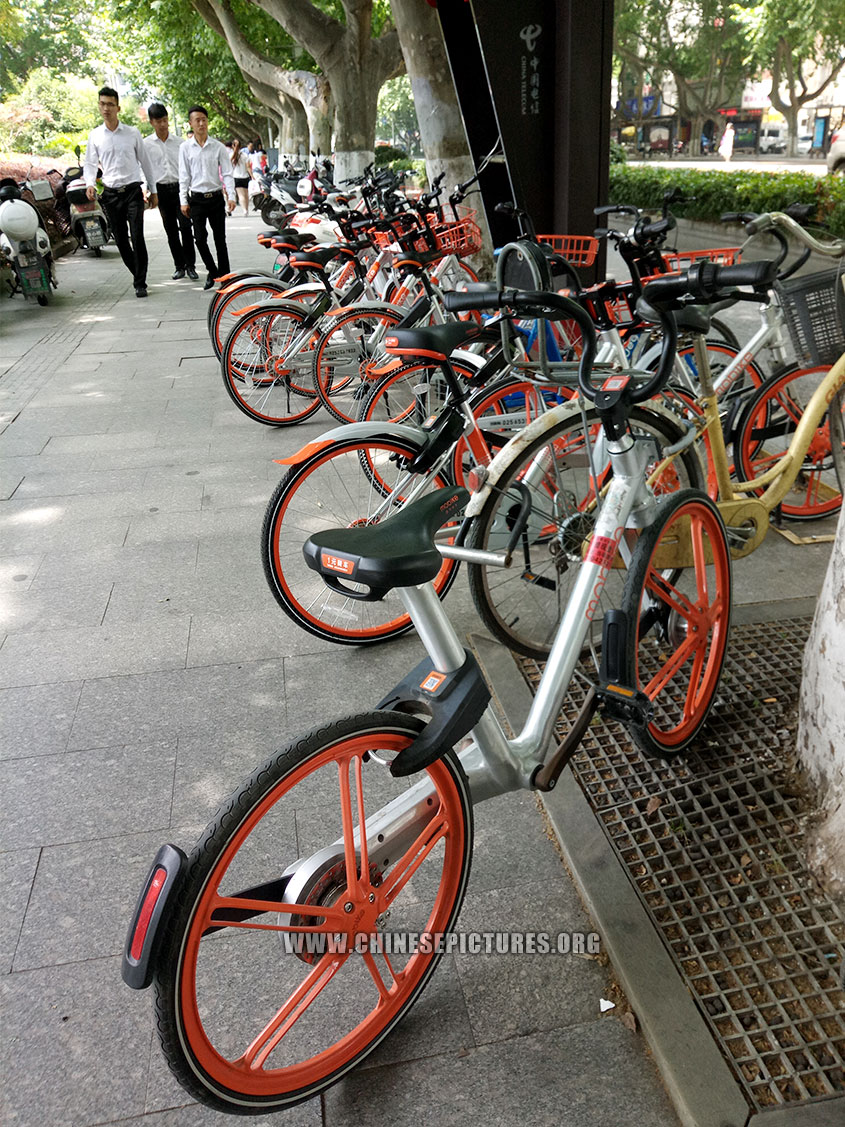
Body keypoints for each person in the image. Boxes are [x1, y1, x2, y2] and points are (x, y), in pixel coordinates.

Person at [83, 86, 158, 297]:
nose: (106, 108)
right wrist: (90, 183)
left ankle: (140, 283)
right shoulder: (95, 136)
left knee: (137, 236)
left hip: (133, 191)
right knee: (121, 240)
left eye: (110, 104)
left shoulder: (132, 133)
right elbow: (90, 164)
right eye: (102, 104)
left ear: (118, 108)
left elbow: (145, 162)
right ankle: (137, 273)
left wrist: (152, 190)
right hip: (111, 193)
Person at [178, 106, 235, 290]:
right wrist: (183, 201)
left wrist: (231, 196)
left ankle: (225, 278)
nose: (201, 123)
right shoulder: (185, 148)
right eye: (197, 120)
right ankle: (213, 271)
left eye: (204, 119)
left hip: (216, 198)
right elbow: (183, 176)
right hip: (197, 200)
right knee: (200, 239)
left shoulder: (217, 147)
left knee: (220, 240)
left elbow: (227, 173)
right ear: (191, 124)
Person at [144, 103, 197, 280]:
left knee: (186, 228)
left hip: (180, 189)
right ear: (152, 122)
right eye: (159, 121)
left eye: (165, 120)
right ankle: (179, 266)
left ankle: (191, 266)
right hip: (161, 191)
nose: (163, 124)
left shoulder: (181, 143)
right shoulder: (146, 145)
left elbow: (187, 168)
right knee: (171, 231)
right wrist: (150, 191)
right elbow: (144, 169)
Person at [230, 140, 252, 216]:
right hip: (245, 176)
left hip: (236, 177)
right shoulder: (245, 155)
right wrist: (252, 176)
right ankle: (246, 209)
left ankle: (244, 210)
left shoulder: (231, 155)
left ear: (232, 146)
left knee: (240, 195)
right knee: (246, 194)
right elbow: (248, 167)